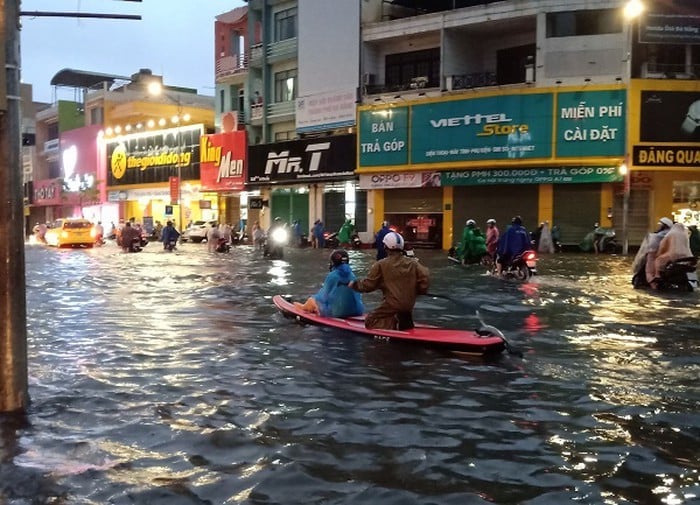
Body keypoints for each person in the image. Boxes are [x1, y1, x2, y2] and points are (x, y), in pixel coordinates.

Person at [349, 231, 430, 330]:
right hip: (409, 305)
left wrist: (354, 285)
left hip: (392, 305)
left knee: (370, 321)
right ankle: (402, 321)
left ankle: (393, 325)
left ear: (385, 247)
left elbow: (369, 285)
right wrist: (420, 291)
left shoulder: (381, 265)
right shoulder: (414, 263)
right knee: (397, 310)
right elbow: (425, 276)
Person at [294, 249, 365, 318]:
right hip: (355, 311)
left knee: (312, 300)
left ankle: (304, 307)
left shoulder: (332, 275)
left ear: (333, 262)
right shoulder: (352, 275)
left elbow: (323, 296)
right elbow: (357, 296)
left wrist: (319, 305)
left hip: (336, 313)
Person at [644, 217, 674, 289]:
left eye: (660, 224)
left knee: (649, 270)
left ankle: (652, 282)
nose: (659, 226)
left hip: (655, 253)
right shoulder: (673, 234)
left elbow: (652, 246)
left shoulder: (659, 235)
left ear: (664, 225)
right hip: (670, 255)